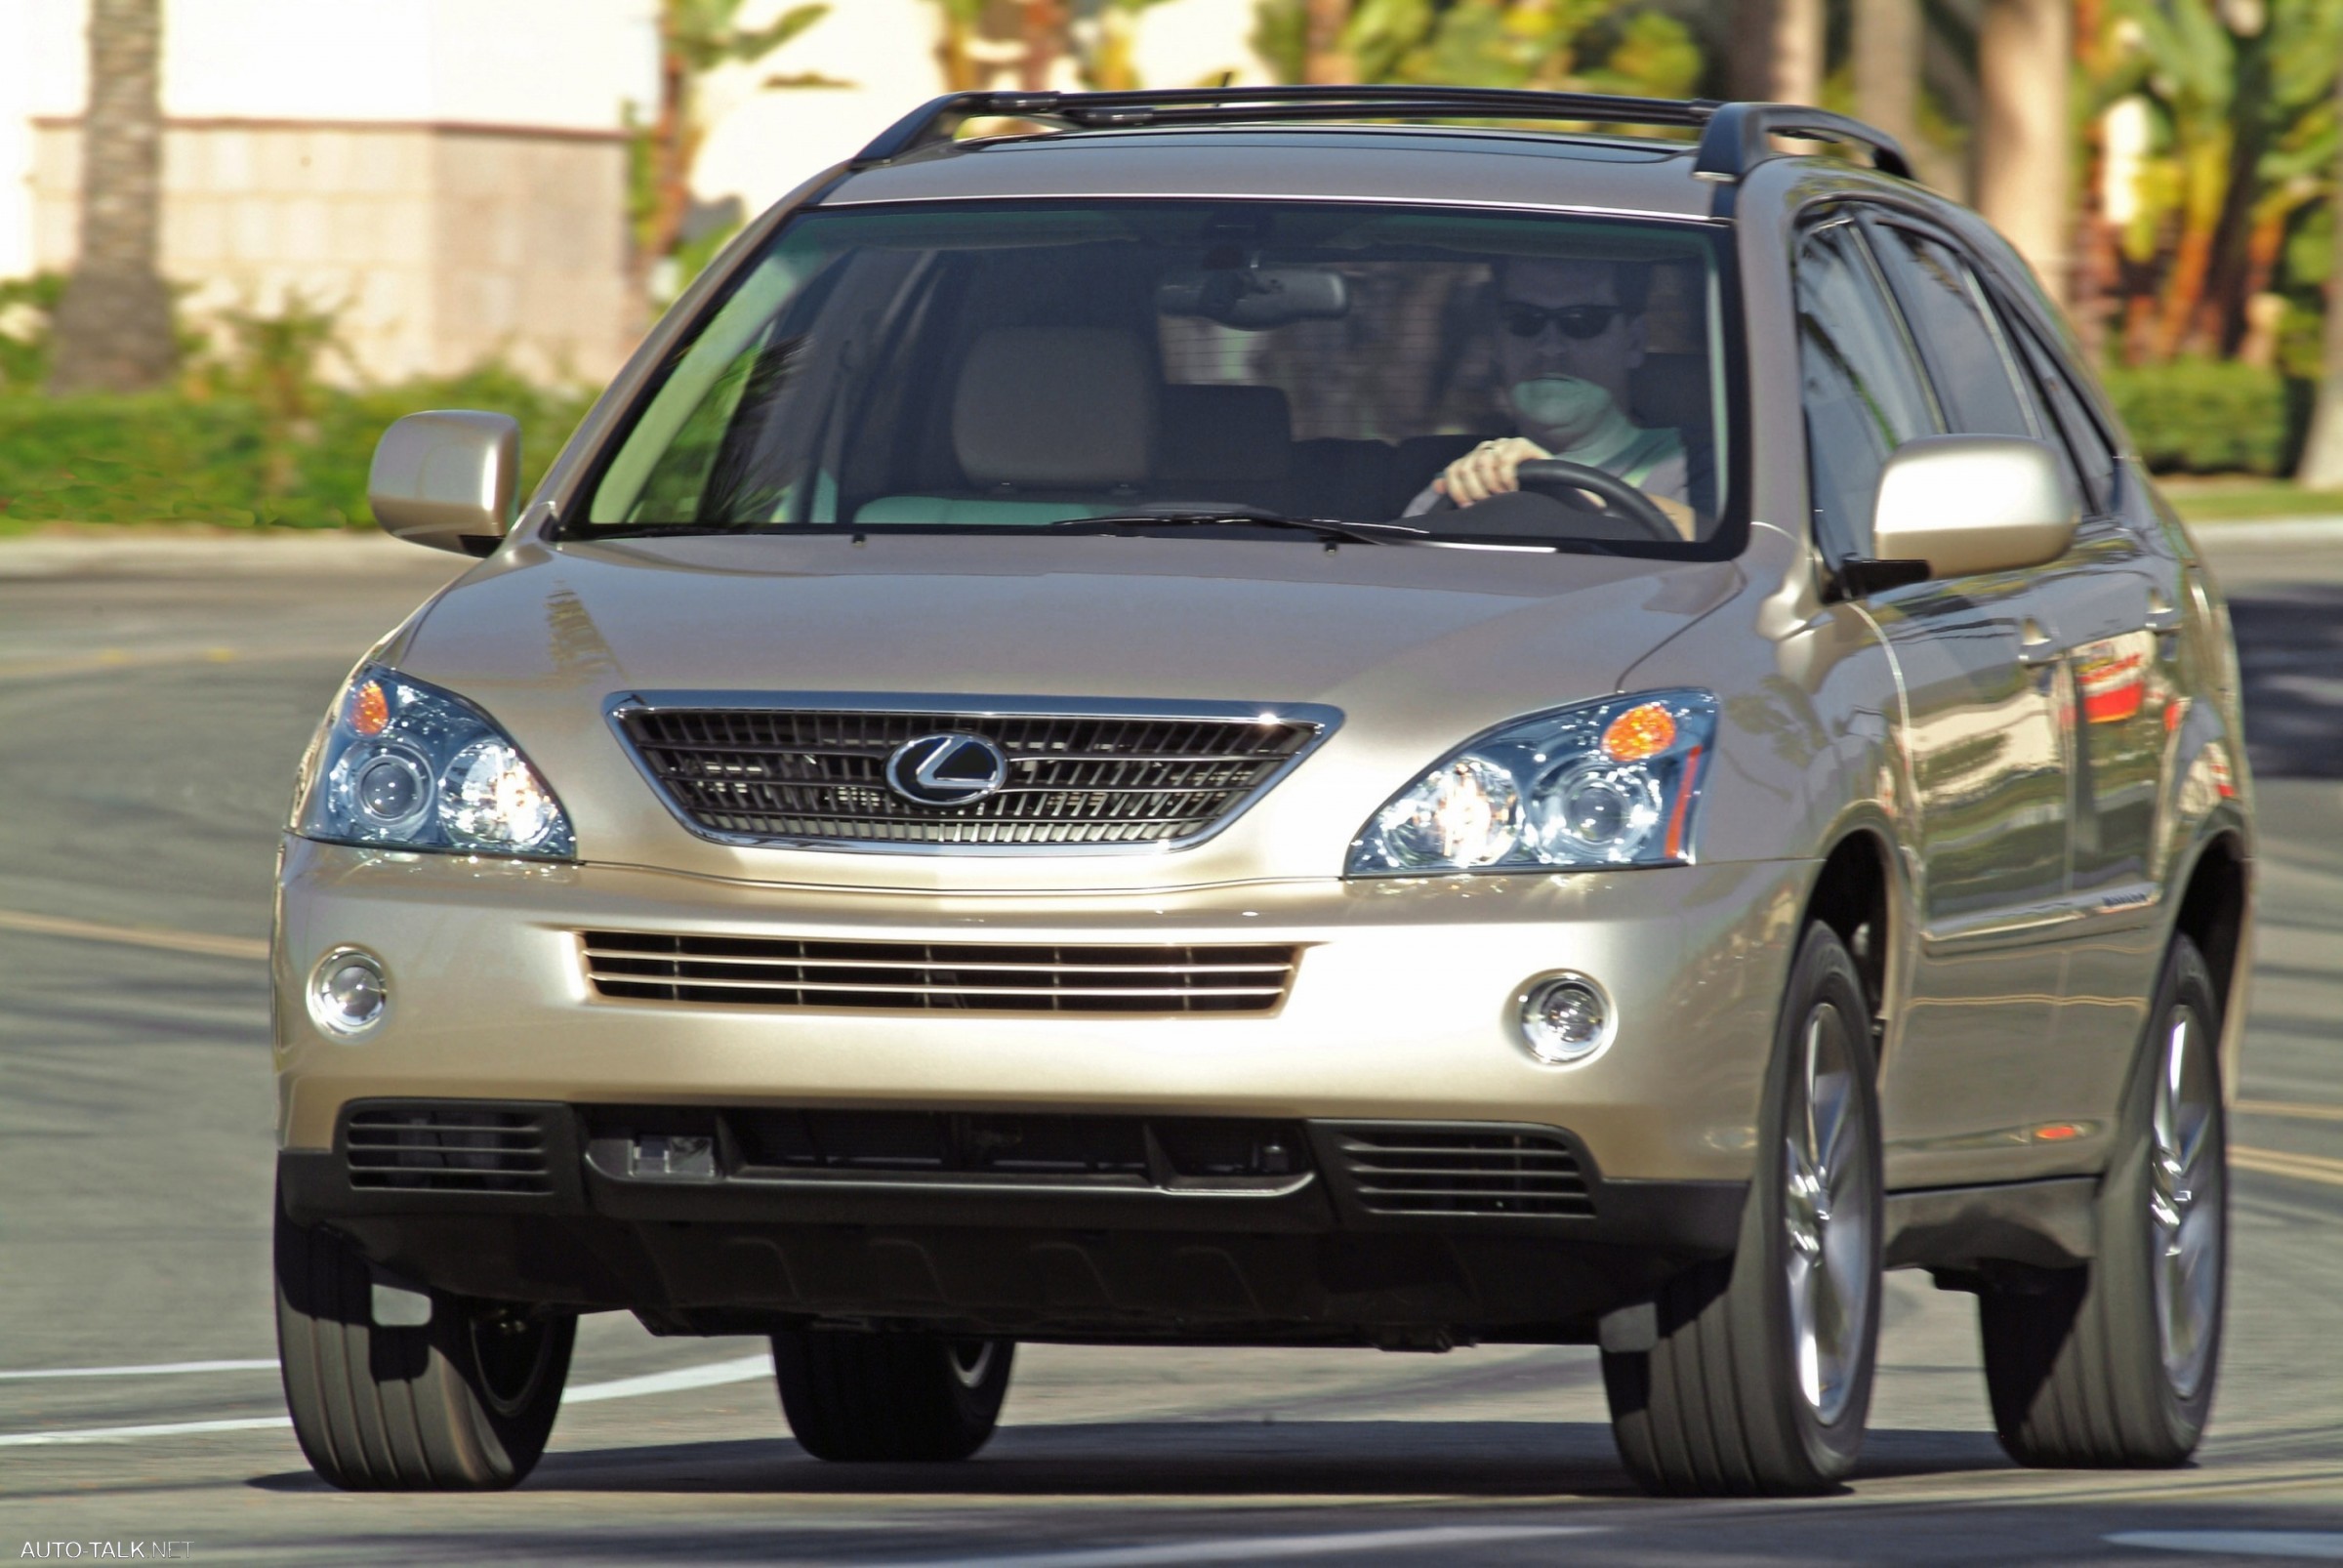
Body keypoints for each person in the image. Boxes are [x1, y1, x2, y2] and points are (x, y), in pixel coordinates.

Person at [1404, 257, 1692, 536]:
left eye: (1582, 321)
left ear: (1634, 341)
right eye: (1523, 319)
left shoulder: (1700, 469)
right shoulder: (1466, 482)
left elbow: (1717, 540)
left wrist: (1566, 487)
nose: (1550, 348)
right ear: (1496, 339)